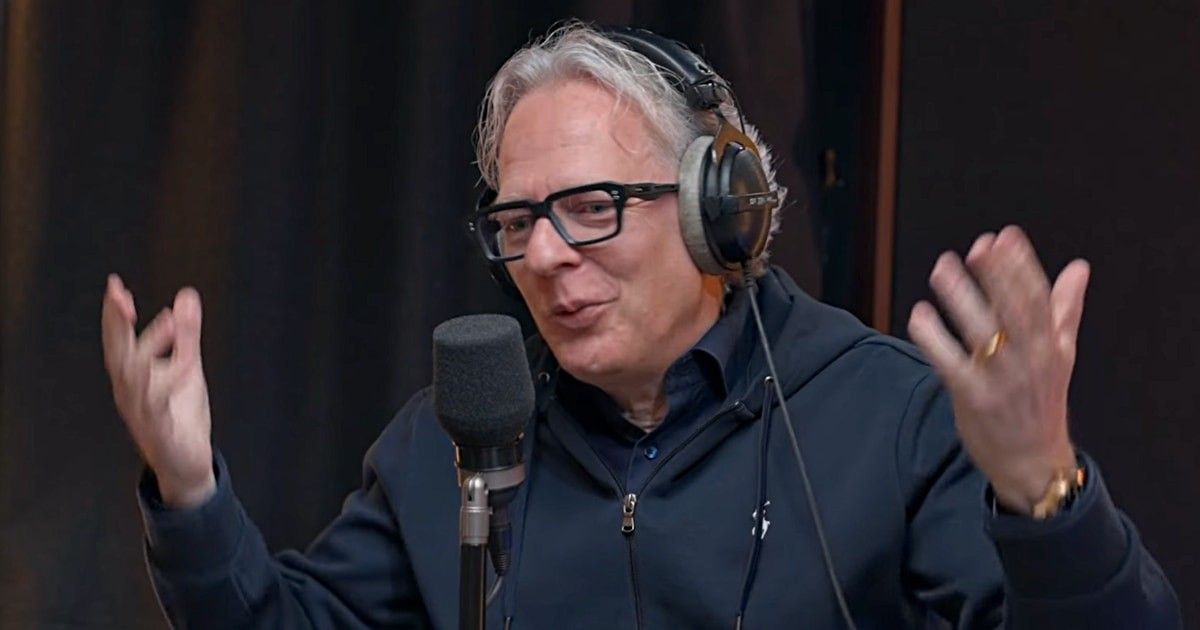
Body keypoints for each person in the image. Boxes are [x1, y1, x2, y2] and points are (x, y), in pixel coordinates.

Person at [100, 23, 1180, 628]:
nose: (545, 257)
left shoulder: (892, 416)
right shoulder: (460, 441)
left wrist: (1044, 492)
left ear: (721, 210)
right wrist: (190, 493)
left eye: (591, 207)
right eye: (517, 222)